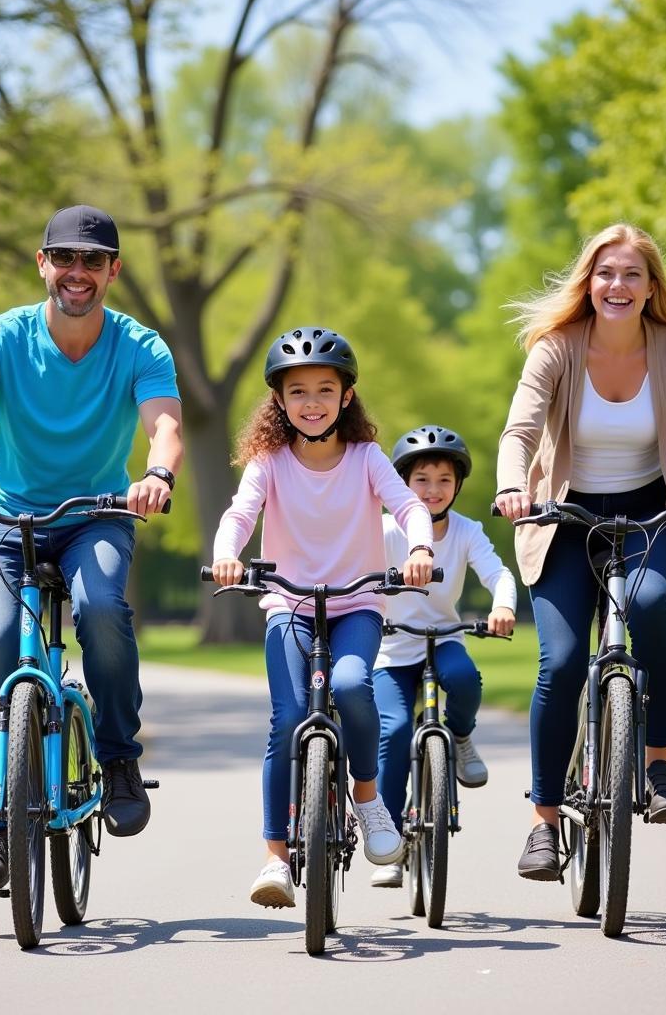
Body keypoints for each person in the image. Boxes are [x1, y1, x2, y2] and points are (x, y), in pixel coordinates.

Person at [0, 204, 183, 891]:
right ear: (42, 263)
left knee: (103, 609)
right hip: (6, 518)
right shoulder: (1, 337)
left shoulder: (141, 347)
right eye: (65, 258)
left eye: (92, 261)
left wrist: (156, 474)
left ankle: (117, 759)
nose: (76, 273)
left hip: (97, 515)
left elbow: (164, 424)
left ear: (113, 270)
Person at [494, 223, 666, 881]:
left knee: (655, 606)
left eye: (632, 274)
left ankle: (658, 759)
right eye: (606, 272)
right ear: (590, 281)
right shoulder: (556, 347)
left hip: (649, 517)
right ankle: (545, 822)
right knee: (562, 663)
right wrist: (510, 486)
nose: (618, 285)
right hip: (564, 516)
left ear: (651, 287)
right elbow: (519, 431)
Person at [211, 326, 435, 909]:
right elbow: (240, 513)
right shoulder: (269, 461)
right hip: (289, 605)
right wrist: (226, 554)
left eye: (324, 390)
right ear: (280, 402)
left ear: (346, 397)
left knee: (352, 683)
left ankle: (367, 795)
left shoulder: (365, 458)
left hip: (357, 602)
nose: (312, 403)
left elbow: (409, 505)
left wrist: (418, 550)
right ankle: (275, 860)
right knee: (287, 720)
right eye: (299, 392)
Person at [370, 425, 517, 888]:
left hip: (444, 637)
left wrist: (503, 605)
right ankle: (390, 841)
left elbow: (498, 573)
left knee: (466, 679)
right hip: (391, 648)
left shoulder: (467, 531)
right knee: (391, 731)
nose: (433, 490)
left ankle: (460, 736)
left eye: (444, 481)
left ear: (457, 486)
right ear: (402, 483)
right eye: (422, 480)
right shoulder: (382, 529)